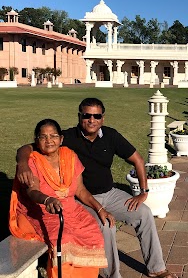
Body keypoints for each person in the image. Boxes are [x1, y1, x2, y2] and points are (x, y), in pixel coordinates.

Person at [16, 98, 177, 278]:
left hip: (111, 194)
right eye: (87, 115)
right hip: (82, 199)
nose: (91, 120)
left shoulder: (111, 135)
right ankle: (112, 275)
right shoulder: (66, 137)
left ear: (102, 118)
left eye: (96, 116)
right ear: (80, 116)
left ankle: (156, 269)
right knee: (106, 225)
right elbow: (28, 147)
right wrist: (22, 163)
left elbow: (138, 160)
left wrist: (143, 192)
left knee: (144, 213)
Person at [10, 119, 109, 278]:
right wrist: (47, 200)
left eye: (53, 136)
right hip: (43, 209)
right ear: (36, 141)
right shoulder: (32, 161)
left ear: (61, 139)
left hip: (71, 208)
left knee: (94, 233)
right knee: (64, 239)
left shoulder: (70, 156)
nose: (49, 141)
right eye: (43, 137)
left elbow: (81, 190)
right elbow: (32, 192)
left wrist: (100, 208)